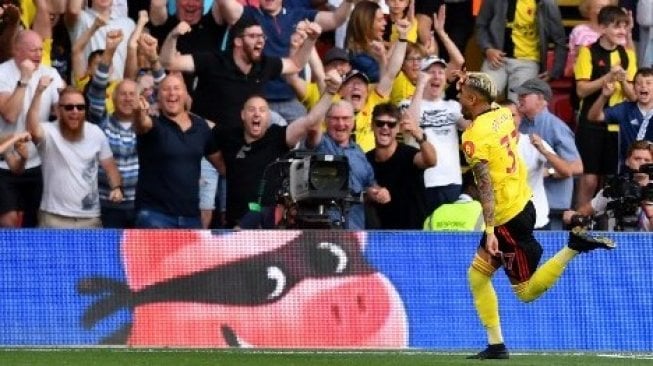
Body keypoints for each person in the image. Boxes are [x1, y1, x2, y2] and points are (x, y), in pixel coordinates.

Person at [458, 72, 615, 360]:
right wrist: (469, 78)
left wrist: (490, 230)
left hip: (505, 218)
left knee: (525, 292)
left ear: (472, 98)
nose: (457, 97)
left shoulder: (472, 138)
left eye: (461, 93)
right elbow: (488, 100)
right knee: (477, 276)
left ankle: (572, 248)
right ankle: (496, 345)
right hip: (525, 203)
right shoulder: (503, 115)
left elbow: (485, 187)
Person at [212, 70, 343, 228]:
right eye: (252, 109)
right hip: (234, 228)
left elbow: (310, 120)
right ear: (242, 115)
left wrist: (330, 91)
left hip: (268, 230)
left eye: (262, 110)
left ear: (268, 116)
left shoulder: (277, 136)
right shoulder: (229, 137)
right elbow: (201, 129)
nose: (257, 114)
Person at [160, 16, 320, 128]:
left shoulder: (264, 64)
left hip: (241, 148)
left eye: (262, 36)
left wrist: (311, 40)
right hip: (208, 147)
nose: (260, 41)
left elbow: (296, 64)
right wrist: (173, 36)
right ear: (237, 41)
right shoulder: (213, 61)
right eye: (253, 36)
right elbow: (168, 61)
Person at [219, 0, 353, 122]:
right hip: (259, 101)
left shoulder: (298, 16)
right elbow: (226, 5)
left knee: (305, 136)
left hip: (291, 99)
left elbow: (336, 19)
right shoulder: (249, 15)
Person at [27, 83, 123, 228]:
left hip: (90, 218)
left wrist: (116, 188)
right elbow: (33, 128)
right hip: (54, 217)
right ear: (59, 110)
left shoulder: (96, 132)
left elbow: (110, 167)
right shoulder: (49, 131)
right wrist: (38, 92)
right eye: (69, 107)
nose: (75, 111)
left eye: (80, 107)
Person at [132, 74, 221, 229]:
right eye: (166, 89)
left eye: (176, 88)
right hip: (155, 217)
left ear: (186, 95)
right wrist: (139, 112)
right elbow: (141, 124)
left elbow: (221, 165)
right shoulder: (153, 125)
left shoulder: (201, 127)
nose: (172, 93)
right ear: (158, 98)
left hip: (191, 219)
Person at [574, 5, 637, 211]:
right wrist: (607, 78)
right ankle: (578, 222)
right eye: (617, 27)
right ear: (602, 28)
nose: (622, 32)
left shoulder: (628, 55)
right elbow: (581, 90)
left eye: (624, 27)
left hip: (617, 125)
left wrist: (623, 81)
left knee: (613, 181)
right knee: (590, 178)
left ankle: (607, 225)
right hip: (590, 122)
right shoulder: (587, 52)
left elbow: (634, 95)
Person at [0, 30, 65, 228]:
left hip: (38, 161)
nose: (38, 54)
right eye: (32, 50)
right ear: (17, 50)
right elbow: (9, 115)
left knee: (36, 221)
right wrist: (25, 80)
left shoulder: (50, 73)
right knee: (8, 221)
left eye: (40, 49)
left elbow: (66, 107)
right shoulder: (2, 72)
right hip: (4, 162)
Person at [307, 100, 391, 229]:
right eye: (335, 118)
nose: (341, 123)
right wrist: (328, 91)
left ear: (353, 122)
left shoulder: (359, 153)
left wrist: (379, 192)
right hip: (324, 227)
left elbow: (369, 185)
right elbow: (312, 125)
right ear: (326, 121)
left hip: (355, 229)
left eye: (345, 118)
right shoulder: (319, 143)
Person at [513, 78, 584, 230]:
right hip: (525, 204)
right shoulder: (521, 124)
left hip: (553, 205)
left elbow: (577, 167)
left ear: (540, 98)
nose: (519, 98)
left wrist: (549, 172)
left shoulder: (556, 126)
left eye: (524, 95)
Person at [403, 57, 467, 213]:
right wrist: (420, 86)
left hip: (451, 180)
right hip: (422, 181)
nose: (437, 76)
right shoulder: (406, 104)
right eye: (431, 72)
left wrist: (469, 92)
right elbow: (410, 125)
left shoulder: (453, 106)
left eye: (440, 72)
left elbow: (470, 126)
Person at [474, 0, 567, 101]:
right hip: (497, 59)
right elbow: (481, 26)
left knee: (519, 106)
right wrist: (488, 49)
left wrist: (554, 72)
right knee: (479, 99)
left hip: (527, 62)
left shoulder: (546, 3)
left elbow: (560, 40)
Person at [365, 102, 436, 229]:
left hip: (412, 233)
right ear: (372, 125)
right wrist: (370, 194)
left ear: (398, 128)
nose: (385, 127)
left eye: (391, 124)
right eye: (380, 123)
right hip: (379, 234)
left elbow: (431, 161)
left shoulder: (410, 155)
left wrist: (420, 137)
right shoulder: (365, 160)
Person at [502, 99, 568, 229]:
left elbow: (565, 171)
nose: (508, 120)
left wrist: (544, 153)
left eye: (512, 115)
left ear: (520, 118)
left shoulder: (532, 143)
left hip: (536, 220)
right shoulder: (488, 147)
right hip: (504, 221)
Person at [563, 140, 653, 231]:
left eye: (647, 160)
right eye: (637, 159)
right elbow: (584, 212)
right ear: (627, 161)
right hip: (621, 240)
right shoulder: (617, 187)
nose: (642, 163)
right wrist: (572, 216)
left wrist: (647, 207)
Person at [587, 67, 653, 170]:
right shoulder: (625, 109)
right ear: (634, 88)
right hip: (628, 171)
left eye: (648, 83)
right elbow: (593, 117)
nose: (643, 86)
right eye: (639, 83)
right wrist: (604, 97)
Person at [65, 0, 135, 80]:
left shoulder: (128, 23)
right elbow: (73, 10)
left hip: (118, 89)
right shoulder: (81, 18)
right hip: (85, 88)